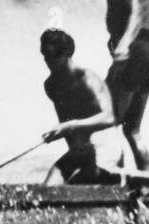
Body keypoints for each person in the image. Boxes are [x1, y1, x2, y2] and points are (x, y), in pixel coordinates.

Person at [41, 0, 149, 169]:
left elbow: (138, 10)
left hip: (136, 51)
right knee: (132, 130)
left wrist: (124, 43)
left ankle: (117, 180)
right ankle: (144, 185)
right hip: (146, 55)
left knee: (109, 118)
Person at [38, 29, 116, 185]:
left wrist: (69, 126)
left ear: (67, 54)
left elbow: (110, 118)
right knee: (48, 188)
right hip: (81, 149)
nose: (48, 63)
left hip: (105, 147)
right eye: (45, 57)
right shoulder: (51, 85)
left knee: (80, 185)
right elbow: (67, 125)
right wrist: (58, 133)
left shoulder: (88, 80)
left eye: (53, 58)